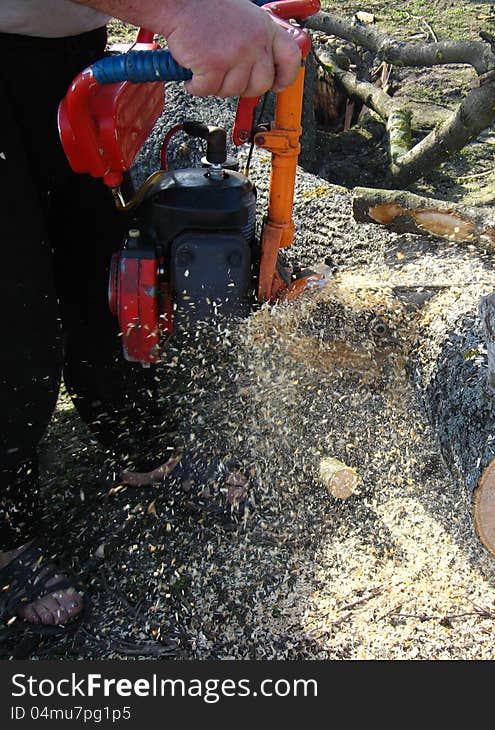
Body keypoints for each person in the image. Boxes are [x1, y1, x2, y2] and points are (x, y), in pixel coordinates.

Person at [0, 0, 302, 630]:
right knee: (15, 316)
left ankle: (142, 444)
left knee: (97, 264)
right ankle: (6, 532)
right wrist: (187, 12)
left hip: (56, 39)